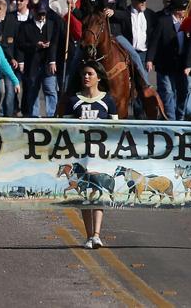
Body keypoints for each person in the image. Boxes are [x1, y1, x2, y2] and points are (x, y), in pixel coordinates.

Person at [63, 61, 118, 249]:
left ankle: (97, 234)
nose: (86, 77)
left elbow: (116, 129)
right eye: (84, 74)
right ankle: (88, 235)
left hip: (100, 156)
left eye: (90, 74)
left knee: (99, 192)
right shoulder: (73, 100)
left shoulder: (108, 101)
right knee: (85, 196)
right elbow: (64, 129)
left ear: (99, 77)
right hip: (80, 155)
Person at [146, 0, 191, 120]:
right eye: (183, 9)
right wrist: (149, 59)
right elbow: (154, 41)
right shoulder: (163, 21)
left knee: (183, 92)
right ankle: (171, 119)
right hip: (165, 64)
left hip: (181, 65)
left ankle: (180, 116)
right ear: (177, 10)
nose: (185, 11)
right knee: (168, 91)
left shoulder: (187, 22)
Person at [16, 0, 60, 117]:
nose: (41, 16)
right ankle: (34, 116)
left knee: (50, 89)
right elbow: (20, 44)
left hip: (47, 63)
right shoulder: (25, 26)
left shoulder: (51, 24)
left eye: (44, 14)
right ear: (34, 12)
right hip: (32, 64)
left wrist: (52, 61)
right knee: (33, 90)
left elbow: (55, 43)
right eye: (39, 14)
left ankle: (52, 115)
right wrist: (35, 45)